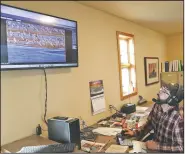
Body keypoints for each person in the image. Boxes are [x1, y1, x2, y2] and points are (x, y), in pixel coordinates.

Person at [125, 83, 184, 153]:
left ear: (171, 99)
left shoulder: (178, 119)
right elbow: (150, 124)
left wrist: (157, 146)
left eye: (164, 92)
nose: (158, 93)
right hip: (154, 147)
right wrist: (135, 132)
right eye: (161, 90)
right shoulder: (157, 106)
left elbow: (181, 147)